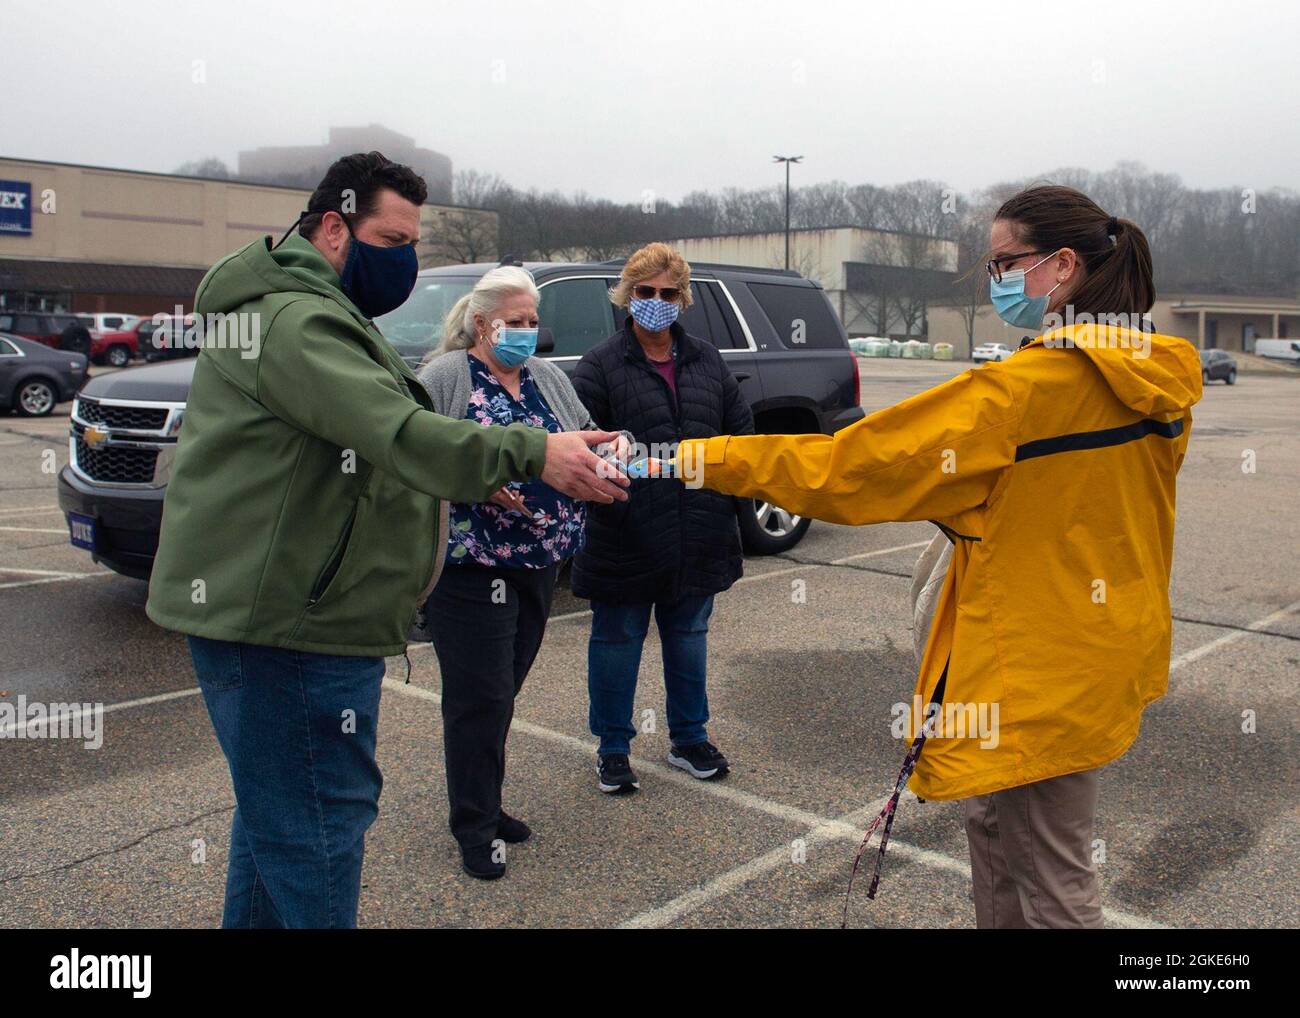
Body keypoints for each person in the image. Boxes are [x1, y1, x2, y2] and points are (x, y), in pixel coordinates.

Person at [665, 185, 1202, 928]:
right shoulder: (1161, 377)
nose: (996, 278)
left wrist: (698, 456)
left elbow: (848, 470)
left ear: (1063, 265)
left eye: (1005, 261)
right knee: (1005, 839)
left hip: (1032, 669)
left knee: (1051, 872)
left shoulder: (1022, 391)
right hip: (1102, 652)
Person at [146, 152, 628, 928]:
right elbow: (399, 431)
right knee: (318, 832)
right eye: (391, 237)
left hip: (285, 615)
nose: (404, 258)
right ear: (333, 226)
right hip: (289, 629)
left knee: (278, 830)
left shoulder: (311, 313)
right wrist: (537, 454)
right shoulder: (295, 321)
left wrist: (555, 444)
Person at [417, 266, 633, 879]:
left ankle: (486, 801)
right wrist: (481, 483)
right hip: (471, 567)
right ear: (481, 324)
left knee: (502, 691)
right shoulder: (446, 377)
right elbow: (415, 453)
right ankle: (475, 827)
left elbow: (583, 437)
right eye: (515, 321)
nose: (527, 332)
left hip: (540, 563)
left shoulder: (546, 377)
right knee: (478, 699)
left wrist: (614, 448)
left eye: (534, 322)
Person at [570, 242, 754, 794]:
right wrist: (624, 458)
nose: (655, 302)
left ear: (683, 297)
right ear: (626, 296)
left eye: (667, 292)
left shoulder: (707, 360)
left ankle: (689, 737)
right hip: (626, 530)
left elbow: (741, 435)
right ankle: (613, 747)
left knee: (689, 635)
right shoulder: (601, 364)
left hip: (700, 529)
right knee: (617, 639)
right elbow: (580, 444)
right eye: (644, 292)